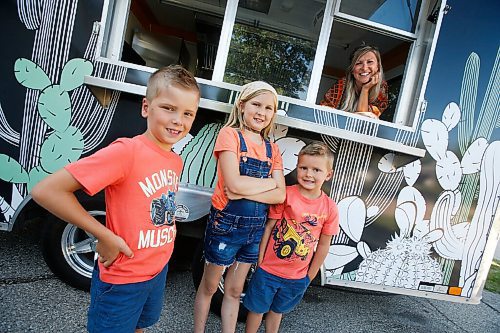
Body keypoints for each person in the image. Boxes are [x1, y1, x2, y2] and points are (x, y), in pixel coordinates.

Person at [31, 65, 200, 333]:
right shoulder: (127, 151)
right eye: (169, 108)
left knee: (140, 326)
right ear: (146, 107)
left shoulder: (174, 160)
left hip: (156, 271)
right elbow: (46, 191)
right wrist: (104, 235)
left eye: (188, 113)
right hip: (123, 278)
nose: (178, 120)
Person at [193, 81, 286, 333]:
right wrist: (267, 183)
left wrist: (243, 188)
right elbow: (232, 184)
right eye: (256, 104)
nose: (261, 112)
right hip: (225, 226)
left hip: (254, 231)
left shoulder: (273, 148)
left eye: (268, 108)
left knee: (234, 290)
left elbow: (280, 194)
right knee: (210, 286)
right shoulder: (230, 135)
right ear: (242, 105)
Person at [243, 141, 340, 333]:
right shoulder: (286, 195)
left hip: (297, 276)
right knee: (256, 310)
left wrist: (309, 276)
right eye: (303, 167)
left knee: (277, 312)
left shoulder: (329, 208)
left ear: (328, 174)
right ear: (297, 168)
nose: (308, 174)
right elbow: (269, 227)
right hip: (268, 270)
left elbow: (323, 245)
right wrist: (260, 261)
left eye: (316, 170)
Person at [321, 44, 388, 119]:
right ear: (352, 70)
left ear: (378, 67)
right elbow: (323, 112)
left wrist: (365, 89)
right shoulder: (342, 84)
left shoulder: (381, 88)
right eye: (358, 63)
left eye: (369, 62)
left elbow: (364, 120)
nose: (364, 68)